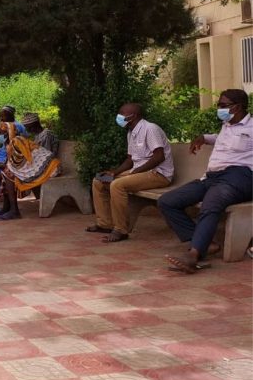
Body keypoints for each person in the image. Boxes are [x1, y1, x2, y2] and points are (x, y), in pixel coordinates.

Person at [161, 89, 252, 274]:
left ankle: (193, 255)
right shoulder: (227, 125)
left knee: (210, 204)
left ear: (238, 107)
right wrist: (203, 138)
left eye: (223, 105)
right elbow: (224, 140)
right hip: (212, 177)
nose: (219, 109)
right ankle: (205, 243)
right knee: (167, 201)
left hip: (239, 177)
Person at [87, 103, 174, 242]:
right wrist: (114, 172)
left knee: (117, 185)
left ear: (132, 116)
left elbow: (159, 156)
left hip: (159, 174)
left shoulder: (150, 129)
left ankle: (121, 230)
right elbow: (130, 160)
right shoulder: (131, 132)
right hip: (139, 172)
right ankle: (105, 224)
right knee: (99, 180)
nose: (119, 116)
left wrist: (134, 173)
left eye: (121, 113)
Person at [0, 113, 60, 220]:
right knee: (5, 172)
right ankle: (7, 207)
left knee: (11, 174)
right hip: (41, 166)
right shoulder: (37, 136)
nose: (27, 130)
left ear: (34, 126)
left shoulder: (46, 134)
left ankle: (14, 211)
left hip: (49, 167)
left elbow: (46, 157)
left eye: (28, 128)